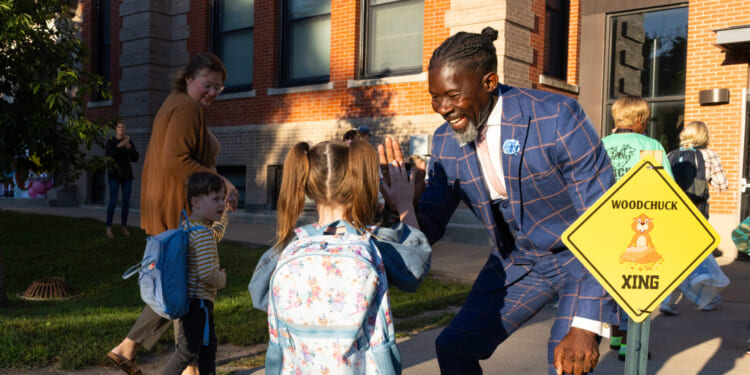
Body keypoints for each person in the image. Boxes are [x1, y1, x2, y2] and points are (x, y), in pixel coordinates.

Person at [379, 27, 618, 375]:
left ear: (489, 81)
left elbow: (603, 220)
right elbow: (429, 224)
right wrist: (399, 205)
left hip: (580, 260)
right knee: (454, 347)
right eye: (435, 97)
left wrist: (587, 323)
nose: (442, 108)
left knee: (566, 364)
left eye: (452, 95)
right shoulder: (446, 142)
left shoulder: (557, 117)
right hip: (517, 262)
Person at [248, 139, 432, 373]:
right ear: (360, 183)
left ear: (307, 187)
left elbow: (259, 294)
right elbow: (416, 265)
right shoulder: (375, 243)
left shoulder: (289, 248)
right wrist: (405, 205)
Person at [107, 52, 239, 375]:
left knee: (178, 282)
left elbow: (185, 150)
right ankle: (175, 363)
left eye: (218, 88)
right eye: (207, 85)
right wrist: (219, 180)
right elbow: (175, 162)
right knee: (183, 286)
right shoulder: (186, 107)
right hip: (177, 210)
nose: (211, 92)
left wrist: (210, 146)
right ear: (190, 77)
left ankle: (136, 351)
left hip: (166, 206)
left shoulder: (177, 102)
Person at [601, 95, 673, 360]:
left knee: (610, 285)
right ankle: (628, 345)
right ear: (641, 120)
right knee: (633, 289)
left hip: (603, 226)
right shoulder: (650, 147)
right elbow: (667, 190)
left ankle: (616, 338)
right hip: (637, 228)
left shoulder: (601, 145)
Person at [660, 120, 729, 316]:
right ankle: (706, 297)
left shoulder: (671, 155)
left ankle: (666, 300)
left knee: (673, 257)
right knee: (698, 258)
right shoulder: (709, 155)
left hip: (671, 215)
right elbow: (721, 185)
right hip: (696, 214)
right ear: (704, 135)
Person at [163, 172, 229, 374]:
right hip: (198, 304)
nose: (222, 204)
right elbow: (207, 274)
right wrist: (222, 280)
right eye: (215, 199)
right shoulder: (202, 234)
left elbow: (215, 233)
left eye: (223, 199)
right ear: (196, 202)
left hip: (194, 303)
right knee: (187, 351)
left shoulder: (190, 227)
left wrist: (225, 217)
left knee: (207, 349)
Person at [105, 120, 139, 239]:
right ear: (116, 128)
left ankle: (123, 227)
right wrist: (120, 145)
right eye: (119, 127)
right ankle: (108, 228)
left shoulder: (128, 141)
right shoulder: (111, 141)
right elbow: (109, 155)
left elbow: (135, 158)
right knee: (113, 201)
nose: (121, 129)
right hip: (114, 174)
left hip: (126, 175)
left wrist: (129, 147)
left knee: (126, 202)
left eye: (123, 127)